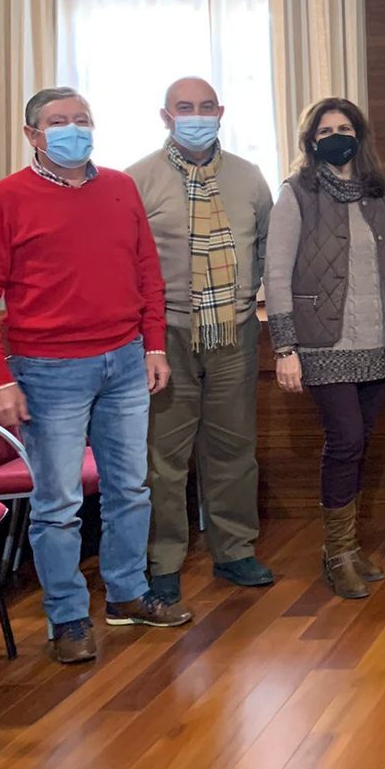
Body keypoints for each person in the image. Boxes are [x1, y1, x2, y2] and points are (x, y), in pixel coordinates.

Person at [0, 87, 192, 665]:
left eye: (81, 120)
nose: (73, 130)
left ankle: (129, 594)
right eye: (57, 122)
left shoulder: (120, 187)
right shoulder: (2, 200)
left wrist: (154, 345)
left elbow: (147, 274)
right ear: (33, 135)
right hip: (47, 371)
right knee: (58, 504)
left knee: (131, 490)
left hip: (126, 360)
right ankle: (66, 618)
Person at [127, 77, 274, 606]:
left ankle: (234, 550)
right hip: (165, 338)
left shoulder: (249, 177)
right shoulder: (136, 180)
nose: (196, 115)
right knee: (163, 458)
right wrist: (149, 340)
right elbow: (128, 266)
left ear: (222, 112)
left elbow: (264, 253)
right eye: (184, 108)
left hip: (233, 332)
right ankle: (163, 561)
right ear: (165, 116)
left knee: (234, 449)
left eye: (205, 107)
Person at [266, 98, 385, 600]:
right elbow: (277, 273)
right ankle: (336, 553)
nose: (337, 135)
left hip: (378, 337)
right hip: (322, 340)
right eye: (326, 129)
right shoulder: (297, 192)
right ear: (311, 141)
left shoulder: (382, 188)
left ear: (360, 134)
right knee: (346, 441)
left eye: (345, 127)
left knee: (361, 444)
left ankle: (349, 549)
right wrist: (284, 347)